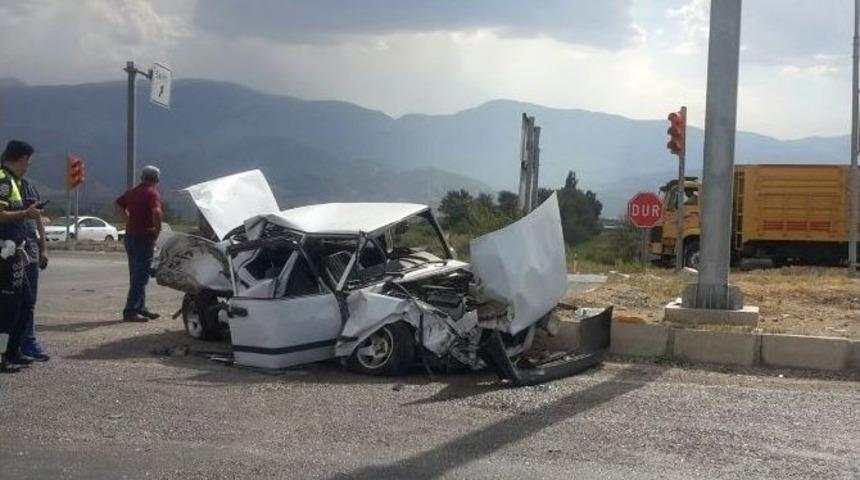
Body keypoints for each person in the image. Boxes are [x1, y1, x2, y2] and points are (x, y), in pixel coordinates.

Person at [0, 140, 44, 372]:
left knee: (25, 302)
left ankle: (13, 350)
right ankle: (3, 355)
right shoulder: (3, 181)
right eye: (29, 161)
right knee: (7, 305)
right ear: (22, 158)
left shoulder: (16, 183)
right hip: (4, 253)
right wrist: (25, 213)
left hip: (16, 252)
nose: (29, 166)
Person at [116, 165, 162, 323]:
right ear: (156, 179)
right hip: (144, 236)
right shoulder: (152, 192)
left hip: (130, 236)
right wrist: (157, 231)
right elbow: (156, 212)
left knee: (135, 274)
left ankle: (140, 307)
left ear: (142, 177)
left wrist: (127, 219)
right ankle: (131, 311)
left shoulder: (132, 192)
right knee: (141, 276)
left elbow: (118, 204)